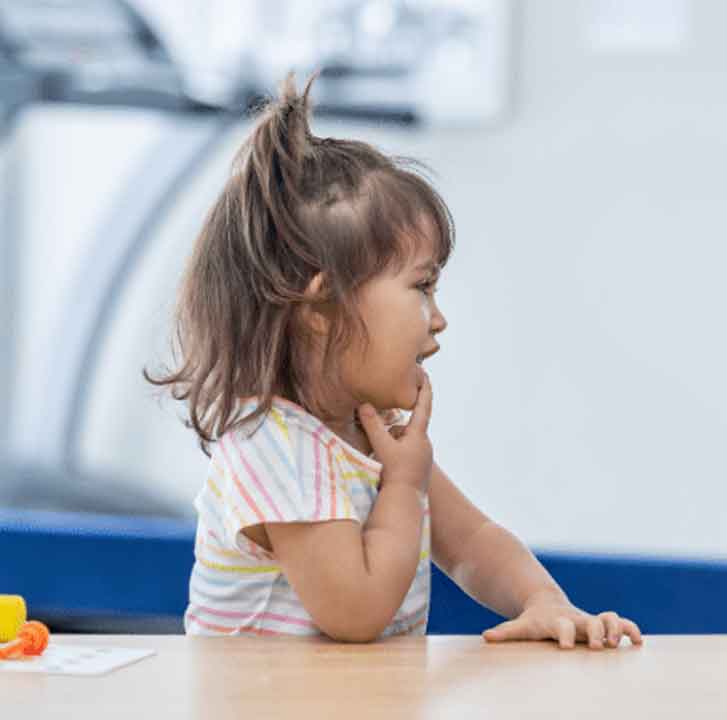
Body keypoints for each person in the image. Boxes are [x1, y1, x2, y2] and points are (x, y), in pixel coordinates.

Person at [146, 75, 642, 649]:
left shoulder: (370, 438)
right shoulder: (273, 444)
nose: (438, 318)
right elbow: (356, 612)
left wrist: (544, 601)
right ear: (321, 306)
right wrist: (404, 486)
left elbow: (475, 542)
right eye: (422, 287)